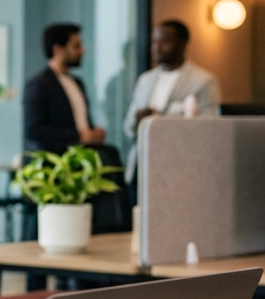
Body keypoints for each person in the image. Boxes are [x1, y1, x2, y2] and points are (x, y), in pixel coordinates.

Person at [123, 19, 220, 184]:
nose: (156, 47)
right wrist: (139, 119)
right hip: (143, 161)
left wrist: (161, 121)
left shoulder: (203, 81)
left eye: (164, 42)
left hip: (180, 163)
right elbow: (128, 128)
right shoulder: (145, 80)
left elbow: (210, 127)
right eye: (154, 41)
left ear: (182, 43)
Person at [23, 23, 104, 155]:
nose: (82, 51)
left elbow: (82, 122)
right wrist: (79, 135)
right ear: (58, 50)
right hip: (57, 158)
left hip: (83, 154)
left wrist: (93, 133)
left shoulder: (77, 83)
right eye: (76, 46)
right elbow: (34, 130)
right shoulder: (39, 84)